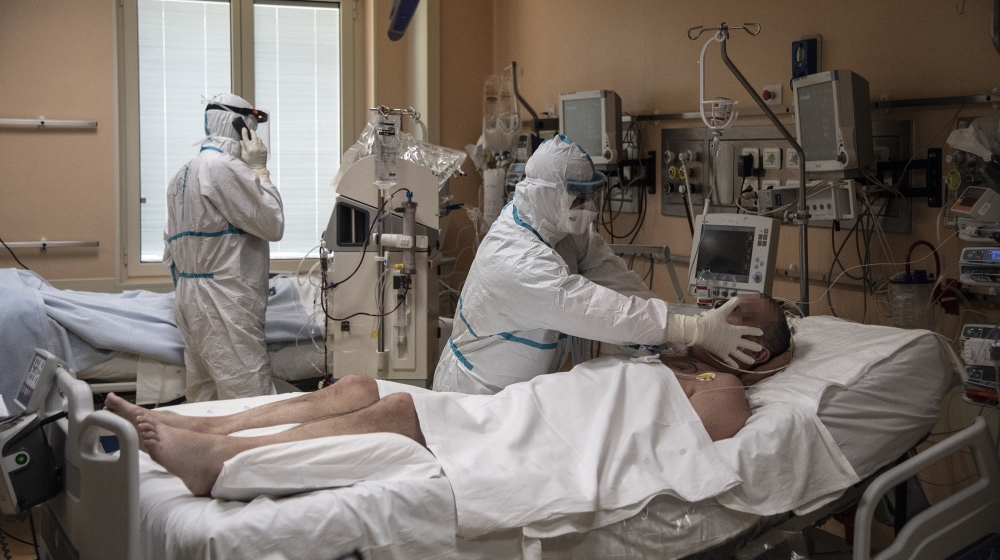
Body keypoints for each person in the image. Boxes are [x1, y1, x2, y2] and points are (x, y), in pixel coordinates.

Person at [104, 293, 791, 497]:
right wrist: (679, 341)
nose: (717, 308)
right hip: (527, 407)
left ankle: (218, 461)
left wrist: (721, 370)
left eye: (737, 313)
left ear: (756, 351)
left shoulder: (724, 386)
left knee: (397, 412)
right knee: (358, 385)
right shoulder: (668, 353)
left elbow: (682, 441)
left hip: (544, 436)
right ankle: (213, 430)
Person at [433, 135, 763, 395]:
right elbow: (589, 307)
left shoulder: (559, 227)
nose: (588, 208)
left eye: (592, 196)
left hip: (518, 395)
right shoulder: (514, 259)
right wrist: (693, 330)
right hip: (475, 396)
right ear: (545, 194)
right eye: (578, 198)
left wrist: (683, 328)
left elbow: (612, 279)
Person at [163, 93, 284, 402]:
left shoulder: (182, 174)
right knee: (249, 399)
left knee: (204, 395)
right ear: (241, 127)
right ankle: (251, 451)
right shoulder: (226, 169)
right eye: (254, 125)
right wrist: (260, 172)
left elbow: (169, 249)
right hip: (224, 299)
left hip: (189, 297)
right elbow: (272, 224)